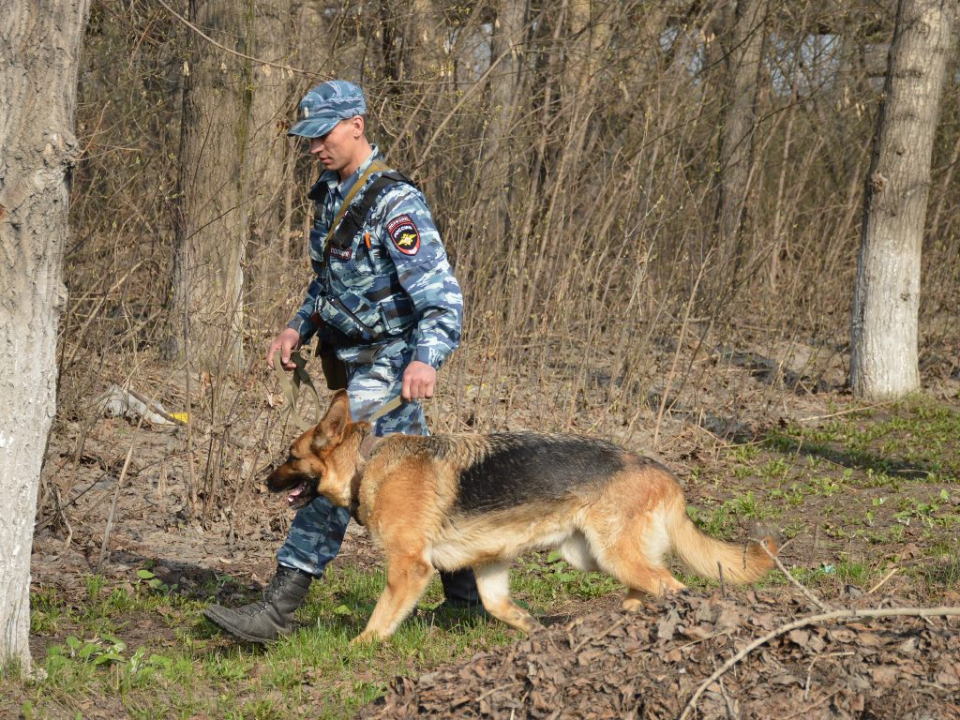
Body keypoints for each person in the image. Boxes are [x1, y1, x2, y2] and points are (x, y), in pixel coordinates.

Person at [204, 80, 479, 643]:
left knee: (335, 477)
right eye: (307, 138)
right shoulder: (332, 194)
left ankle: (277, 611)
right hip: (352, 366)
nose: (313, 147)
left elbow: (441, 296)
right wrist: (295, 326)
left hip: (391, 365)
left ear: (356, 123)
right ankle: (468, 598)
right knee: (420, 487)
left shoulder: (395, 203)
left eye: (322, 134)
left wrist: (425, 358)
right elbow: (327, 281)